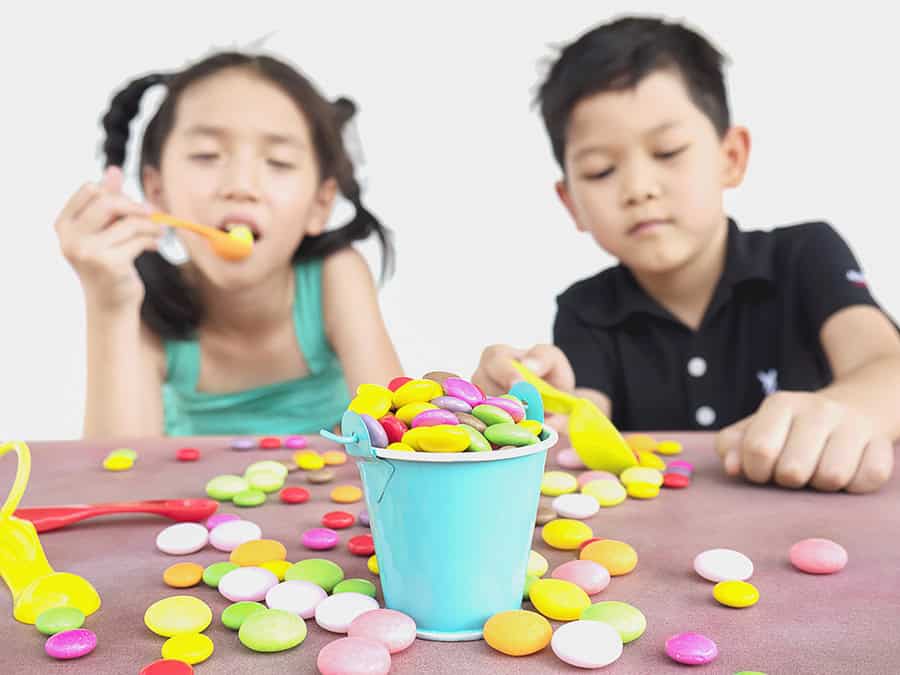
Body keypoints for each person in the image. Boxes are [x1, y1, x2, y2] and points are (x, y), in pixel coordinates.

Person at [473, 16, 900, 493]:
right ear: (571, 202)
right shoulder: (584, 309)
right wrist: (530, 412)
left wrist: (850, 409)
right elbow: (580, 428)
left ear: (731, 157)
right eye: (600, 170)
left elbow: (888, 365)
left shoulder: (806, 254)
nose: (639, 189)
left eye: (669, 151)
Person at [54, 51, 402, 437]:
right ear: (157, 191)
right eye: (207, 155)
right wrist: (109, 304)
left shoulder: (335, 278)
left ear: (320, 204)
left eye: (279, 162)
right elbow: (115, 482)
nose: (240, 185)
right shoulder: (144, 302)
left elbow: (396, 439)